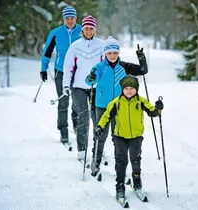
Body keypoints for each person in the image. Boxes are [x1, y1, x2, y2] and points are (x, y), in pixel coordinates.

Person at [85, 36, 148, 175]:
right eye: (109, 53)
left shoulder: (124, 66)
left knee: (118, 138)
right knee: (100, 135)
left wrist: (141, 58)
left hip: (120, 107)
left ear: (118, 53)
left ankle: (119, 167)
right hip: (102, 106)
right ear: (105, 54)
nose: (112, 56)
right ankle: (96, 160)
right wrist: (91, 77)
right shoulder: (99, 67)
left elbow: (143, 70)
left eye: (115, 53)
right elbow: (89, 82)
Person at [94, 76, 164, 200]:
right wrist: (100, 126)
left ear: (136, 89)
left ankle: (137, 183)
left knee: (135, 160)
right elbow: (106, 116)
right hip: (119, 137)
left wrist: (158, 109)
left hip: (136, 137)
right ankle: (120, 186)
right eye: (126, 88)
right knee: (121, 161)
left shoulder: (141, 101)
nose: (129, 91)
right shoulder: (116, 103)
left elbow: (152, 112)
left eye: (132, 88)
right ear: (122, 89)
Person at [62, 15, 105, 160]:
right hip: (78, 87)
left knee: (97, 117)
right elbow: (68, 68)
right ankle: (81, 149)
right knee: (83, 116)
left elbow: (106, 67)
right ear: (82, 29)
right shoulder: (75, 46)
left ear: (95, 30)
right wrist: (66, 85)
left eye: (91, 28)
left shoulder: (101, 45)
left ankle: (98, 147)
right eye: (86, 28)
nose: (88, 30)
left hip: (95, 87)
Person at [40, 6, 81, 143]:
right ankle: (63, 129)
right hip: (61, 71)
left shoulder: (83, 31)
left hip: (78, 71)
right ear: (63, 19)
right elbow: (47, 52)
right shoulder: (56, 33)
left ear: (76, 18)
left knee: (77, 100)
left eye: (72, 18)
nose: (69, 21)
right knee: (63, 101)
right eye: (67, 18)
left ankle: (76, 123)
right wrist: (43, 69)